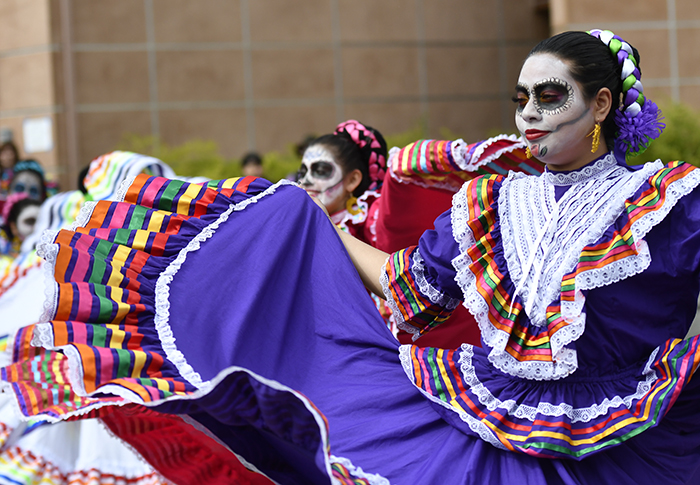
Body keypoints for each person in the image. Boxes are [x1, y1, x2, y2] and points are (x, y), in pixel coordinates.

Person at [4, 29, 700, 484]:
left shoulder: (671, 199)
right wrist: (323, 231)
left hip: (629, 437)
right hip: (479, 427)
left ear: (603, 103)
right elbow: (409, 288)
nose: (529, 115)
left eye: (553, 97)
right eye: (521, 98)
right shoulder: (488, 203)